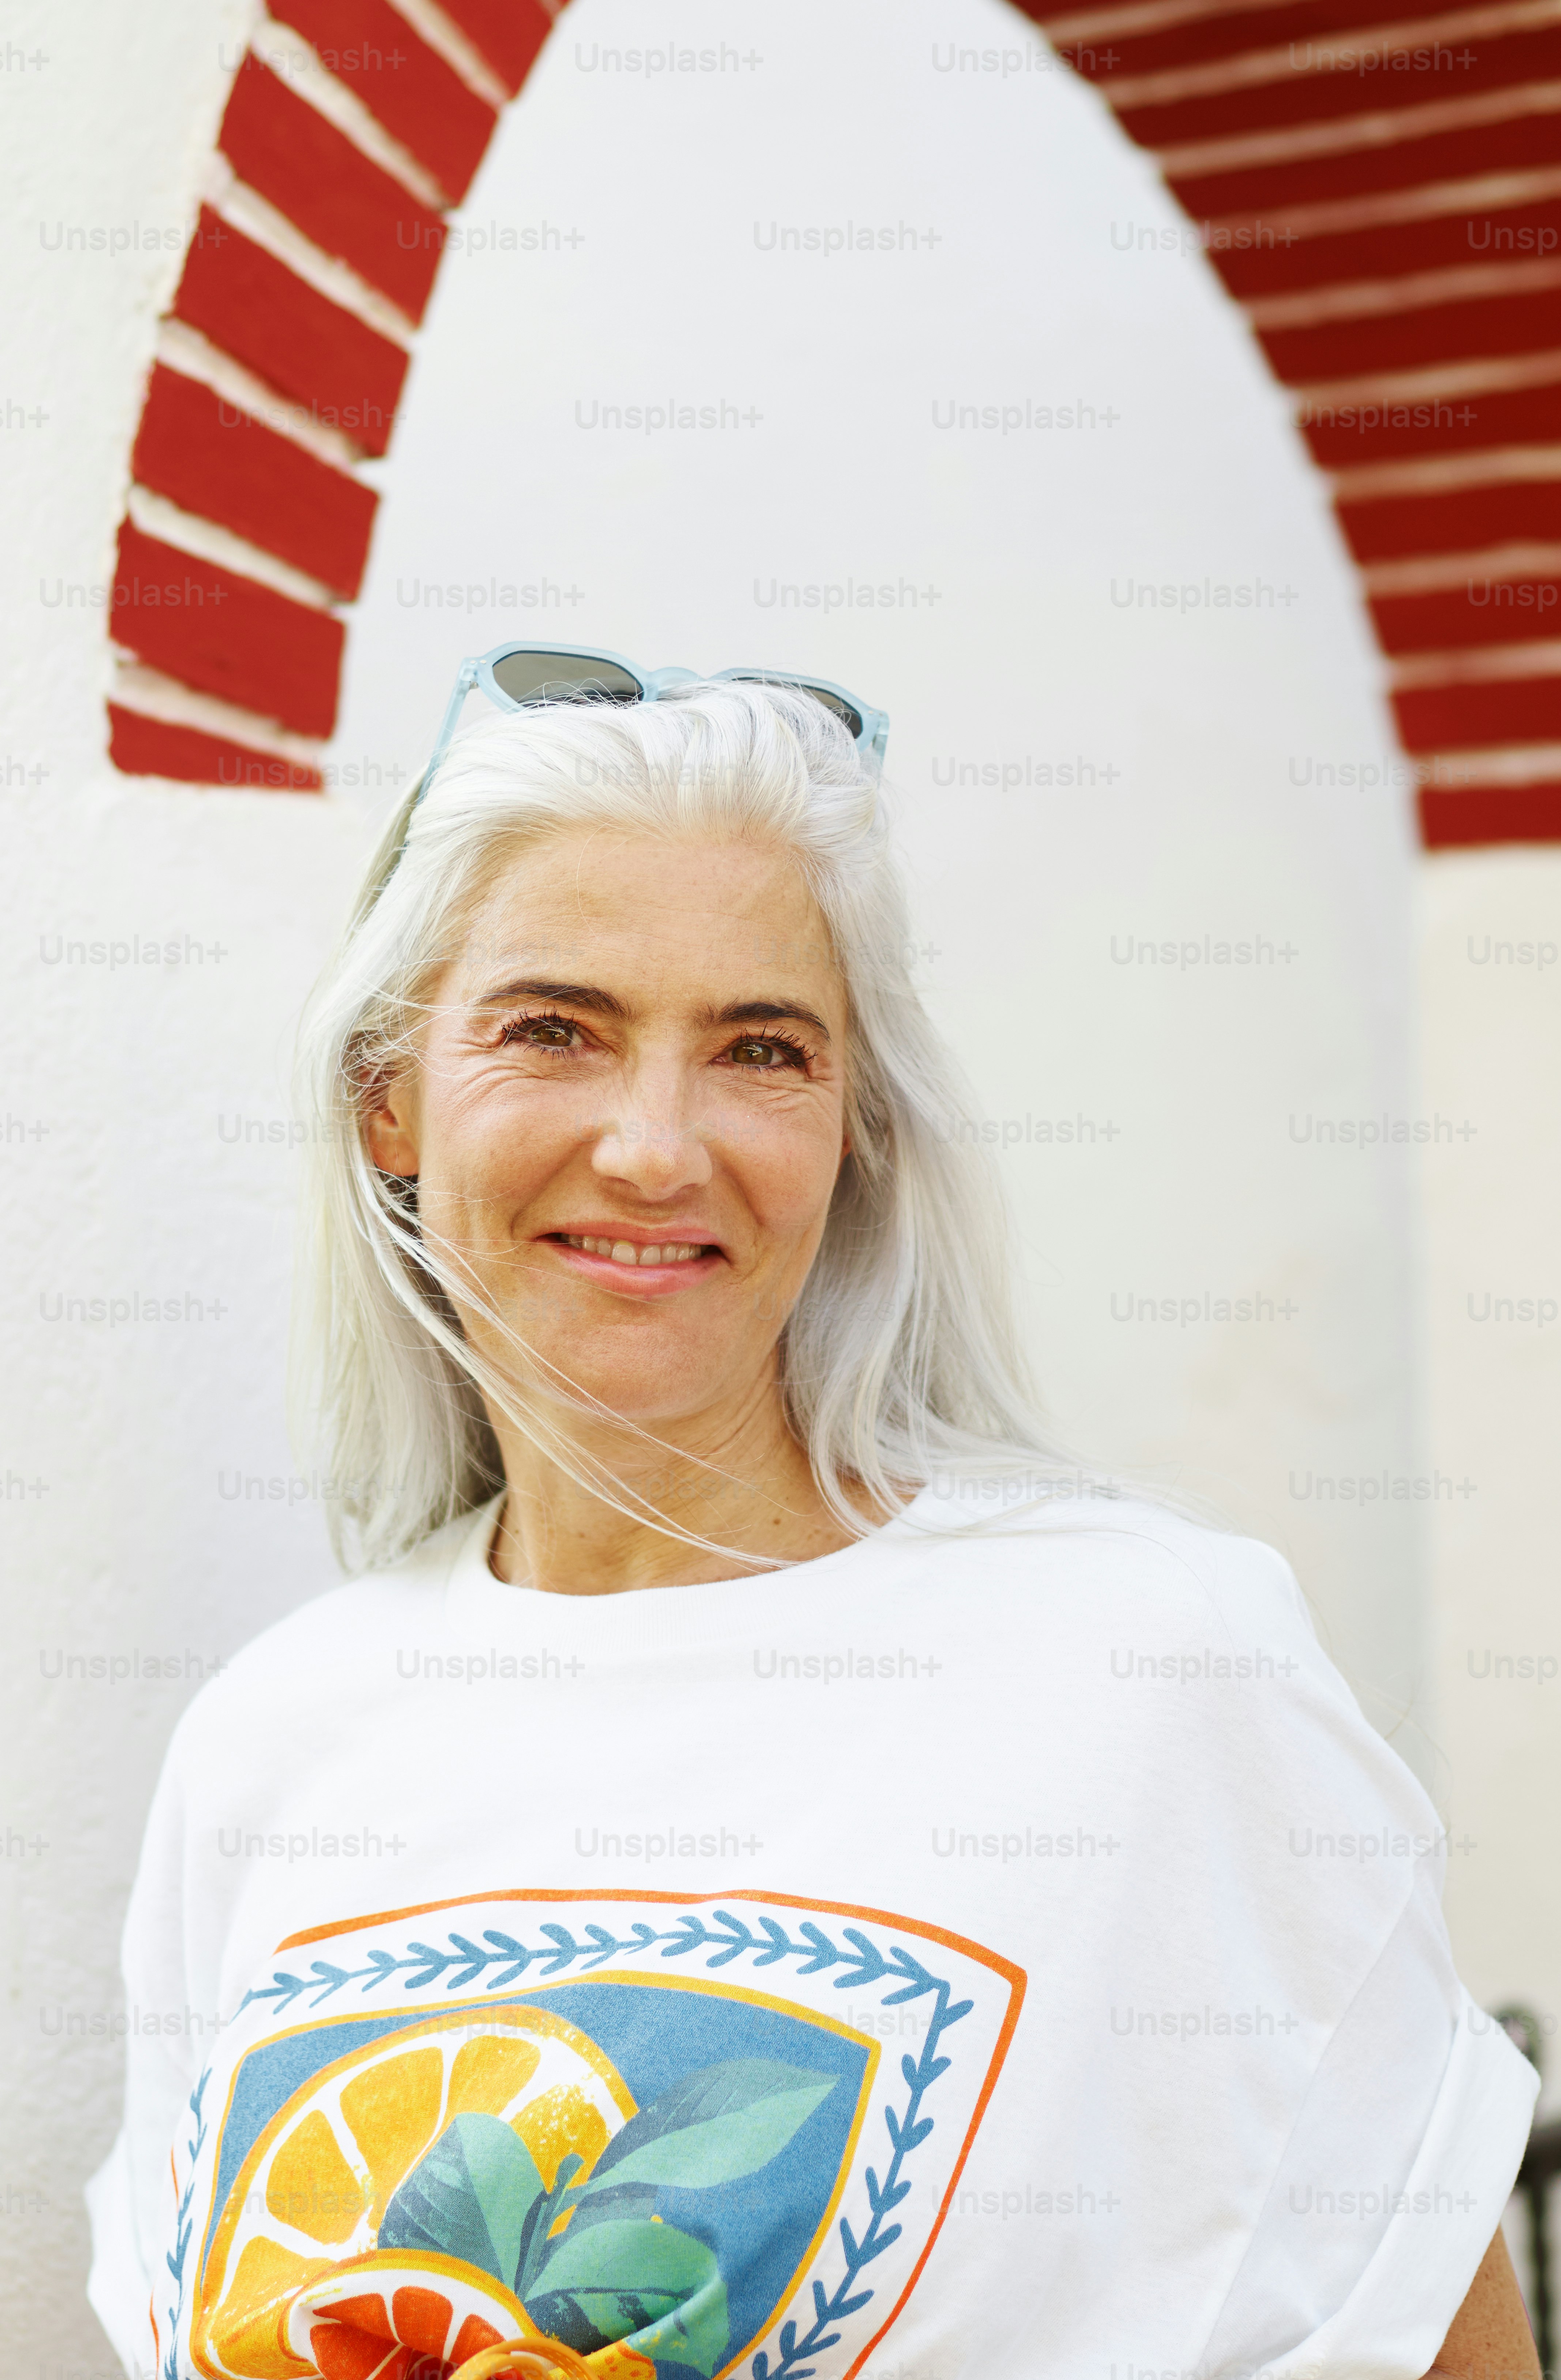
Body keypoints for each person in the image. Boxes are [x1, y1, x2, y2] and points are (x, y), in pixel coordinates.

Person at [86, 662, 1538, 2380]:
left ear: (853, 1128)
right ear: (387, 1096)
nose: (654, 1146)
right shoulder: (271, 1737)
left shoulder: (1150, 1668)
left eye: (759, 1049)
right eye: (554, 1027)